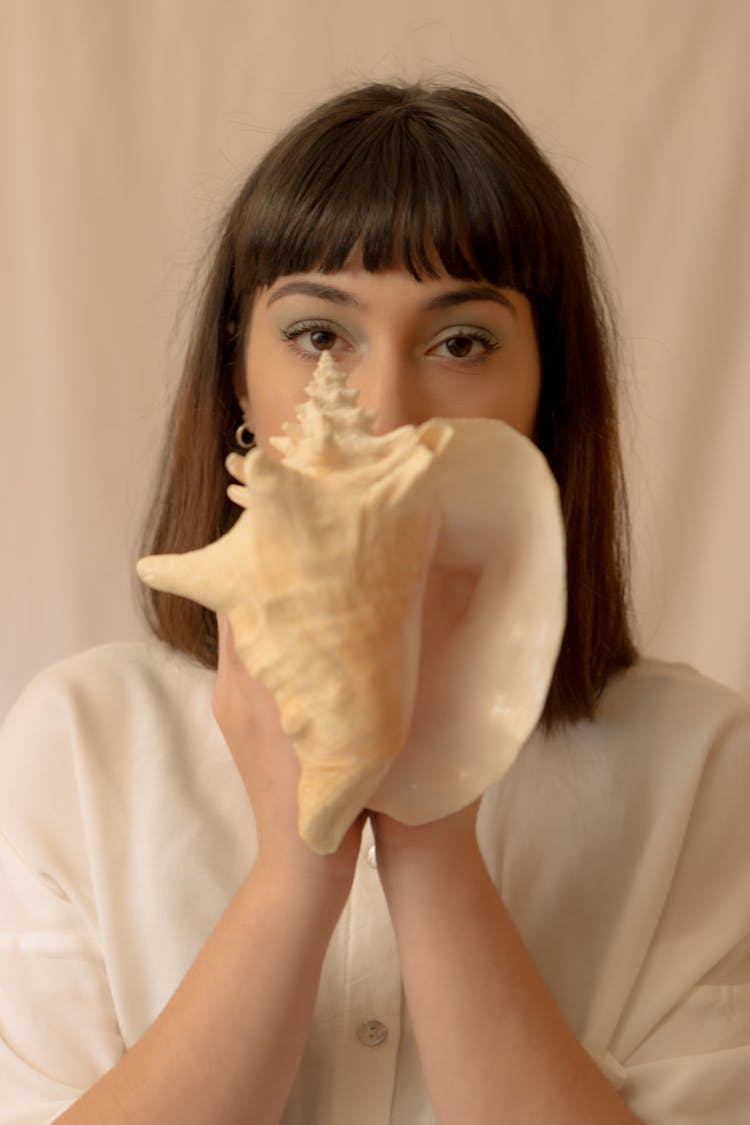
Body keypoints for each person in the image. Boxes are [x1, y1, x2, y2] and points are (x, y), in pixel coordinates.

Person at [0, 82, 748, 1125]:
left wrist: (430, 825)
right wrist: (294, 873)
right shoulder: (77, 744)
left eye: (461, 343)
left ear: (551, 387)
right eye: (318, 335)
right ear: (239, 373)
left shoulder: (705, 763)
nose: (390, 410)